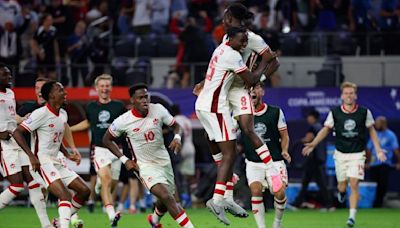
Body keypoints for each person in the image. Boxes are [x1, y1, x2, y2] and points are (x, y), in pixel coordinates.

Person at [193, 3, 283, 223]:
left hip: (240, 88)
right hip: (224, 91)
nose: (223, 20)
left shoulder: (252, 39)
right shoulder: (228, 41)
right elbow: (220, 69)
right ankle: (226, 190)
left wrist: (257, 81)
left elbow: (273, 60)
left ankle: (271, 170)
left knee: (246, 128)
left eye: (226, 17)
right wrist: (205, 83)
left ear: (234, 19)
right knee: (220, 141)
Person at [103, 83, 195, 228]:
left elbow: (176, 126)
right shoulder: (123, 121)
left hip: (164, 162)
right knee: (167, 197)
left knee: (165, 199)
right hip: (144, 166)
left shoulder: (158, 109)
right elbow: (106, 139)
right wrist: (124, 159)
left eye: (146, 96)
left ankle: (154, 220)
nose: (145, 100)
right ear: (132, 101)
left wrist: (177, 137)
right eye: (140, 98)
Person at [302, 81, 387, 227]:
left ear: (355, 96)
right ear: (342, 96)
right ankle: (341, 193)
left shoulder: (364, 112)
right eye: (346, 93)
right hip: (340, 154)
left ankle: (352, 216)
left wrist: (378, 149)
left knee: (354, 184)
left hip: (358, 154)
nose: (349, 96)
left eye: (351, 93)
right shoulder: (335, 113)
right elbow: (325, 129)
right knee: (342, 185)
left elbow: (372, 130)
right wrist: (313, 143)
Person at [13, 81, 90, 228]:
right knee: (65, 196)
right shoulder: (40, 114)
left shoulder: (62, 114)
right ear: (51, 95)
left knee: (85, 191)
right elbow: (17, 132)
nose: (65, 93)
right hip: (42, 161)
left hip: (56, 161)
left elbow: (56, 140)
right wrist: (31, 156)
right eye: (61, 90)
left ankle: (60, 222)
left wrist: (67, 154)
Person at [70, 74, 126, 225]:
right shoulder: (91, 107)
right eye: (102, 86)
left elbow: (125, 125)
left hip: (116, 149)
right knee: (107, 179)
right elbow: (88, 123)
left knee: (112, 185)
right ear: (96, 88)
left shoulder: (119, 106)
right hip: (99, 149)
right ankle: (111, 216)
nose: (104, 88)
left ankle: (99, 187)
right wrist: (69, 129)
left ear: (111, 88)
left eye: (107, 85)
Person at [0, 64, 51, 228]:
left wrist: (21, 120)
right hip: (3, 145)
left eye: (9, 74)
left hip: (15, 139)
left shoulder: (10, 93)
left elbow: (11, 118)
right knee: (16, 185)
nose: (9, 77)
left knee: (34, 182)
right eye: (5, 75)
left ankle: (46, 225)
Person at [241, 82, 290, 228]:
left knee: (279, 192)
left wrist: (285, 150)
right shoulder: (240, 115)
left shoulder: (275, 112)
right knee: (255, 190)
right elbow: (231, 133)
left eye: (255, 88)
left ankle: (277, 223)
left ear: (262, 91)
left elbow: (285, 135)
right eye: (249, 89)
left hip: (274, 161)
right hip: (254, 162)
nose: (252, 92)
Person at [291, 110, 334, 210]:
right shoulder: (321, 127)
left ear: (313, 117)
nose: (307, 119)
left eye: (309, 117)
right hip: (319, 158)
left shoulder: (313, 127)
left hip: (313, 159)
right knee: (307, 182)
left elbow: (308, 139)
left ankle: (329, 205)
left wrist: (299, 141)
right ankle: (297, 203)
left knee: (319, 183)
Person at [366, 116, 400, 207]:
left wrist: (399, 162)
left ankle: (379, 203)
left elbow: (396, 149)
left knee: (382, 184)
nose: (376, 125)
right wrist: (368, 162)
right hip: (373, 164)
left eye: (378, 123)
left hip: (384, 163)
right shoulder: (374, 134)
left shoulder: (390, 135)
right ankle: (372, 202)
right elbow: (368, 149)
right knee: (373, 184)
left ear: (383, 123)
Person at [171, 104, 195, 207]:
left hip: (182, 148)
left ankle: (183, 199)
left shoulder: (175, 120)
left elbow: (179, 135)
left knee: (180, 176)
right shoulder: (187, 119)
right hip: (191, 147)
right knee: (189, 176)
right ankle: (191, 198)